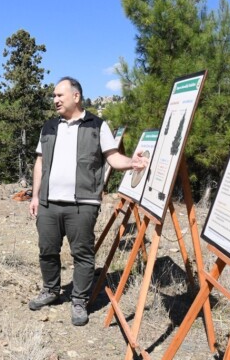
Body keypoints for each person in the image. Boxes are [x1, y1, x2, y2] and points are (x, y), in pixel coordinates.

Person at [27, 77, 148, 327]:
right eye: (54, 96)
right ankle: (50, 290)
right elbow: (39, 162)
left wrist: (132, 163)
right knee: (47, 250)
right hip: (49, 203)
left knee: (82, 254)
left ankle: (79, 300)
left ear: (76, 96)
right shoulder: (49, 126)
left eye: (60, 95)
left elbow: (112, 158)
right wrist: (35, 195)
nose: (55, 100)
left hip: (83, 203)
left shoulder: (97, 125)